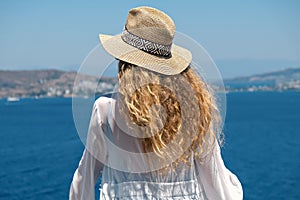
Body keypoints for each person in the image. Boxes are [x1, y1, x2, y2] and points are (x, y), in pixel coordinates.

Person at [69, 6, 243, 200]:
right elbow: (217, 185)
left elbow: (84, 180)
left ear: (124, 65)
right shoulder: (195, 113)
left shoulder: (105, 112)